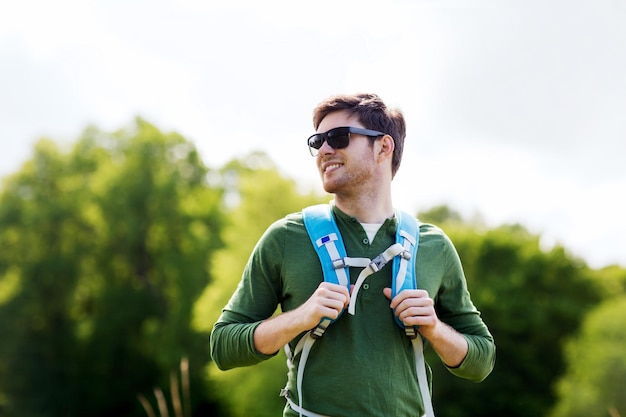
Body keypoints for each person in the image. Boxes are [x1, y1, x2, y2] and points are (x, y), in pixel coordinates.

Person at [210, 93, 495, 417]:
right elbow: (223, 346)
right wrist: (299, 318)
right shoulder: (287, 238)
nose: (324, 150)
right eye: (317, 141)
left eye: (338, 138)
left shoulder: (434, 247)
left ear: (383, 147)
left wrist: (434, 328)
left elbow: (481, 361)